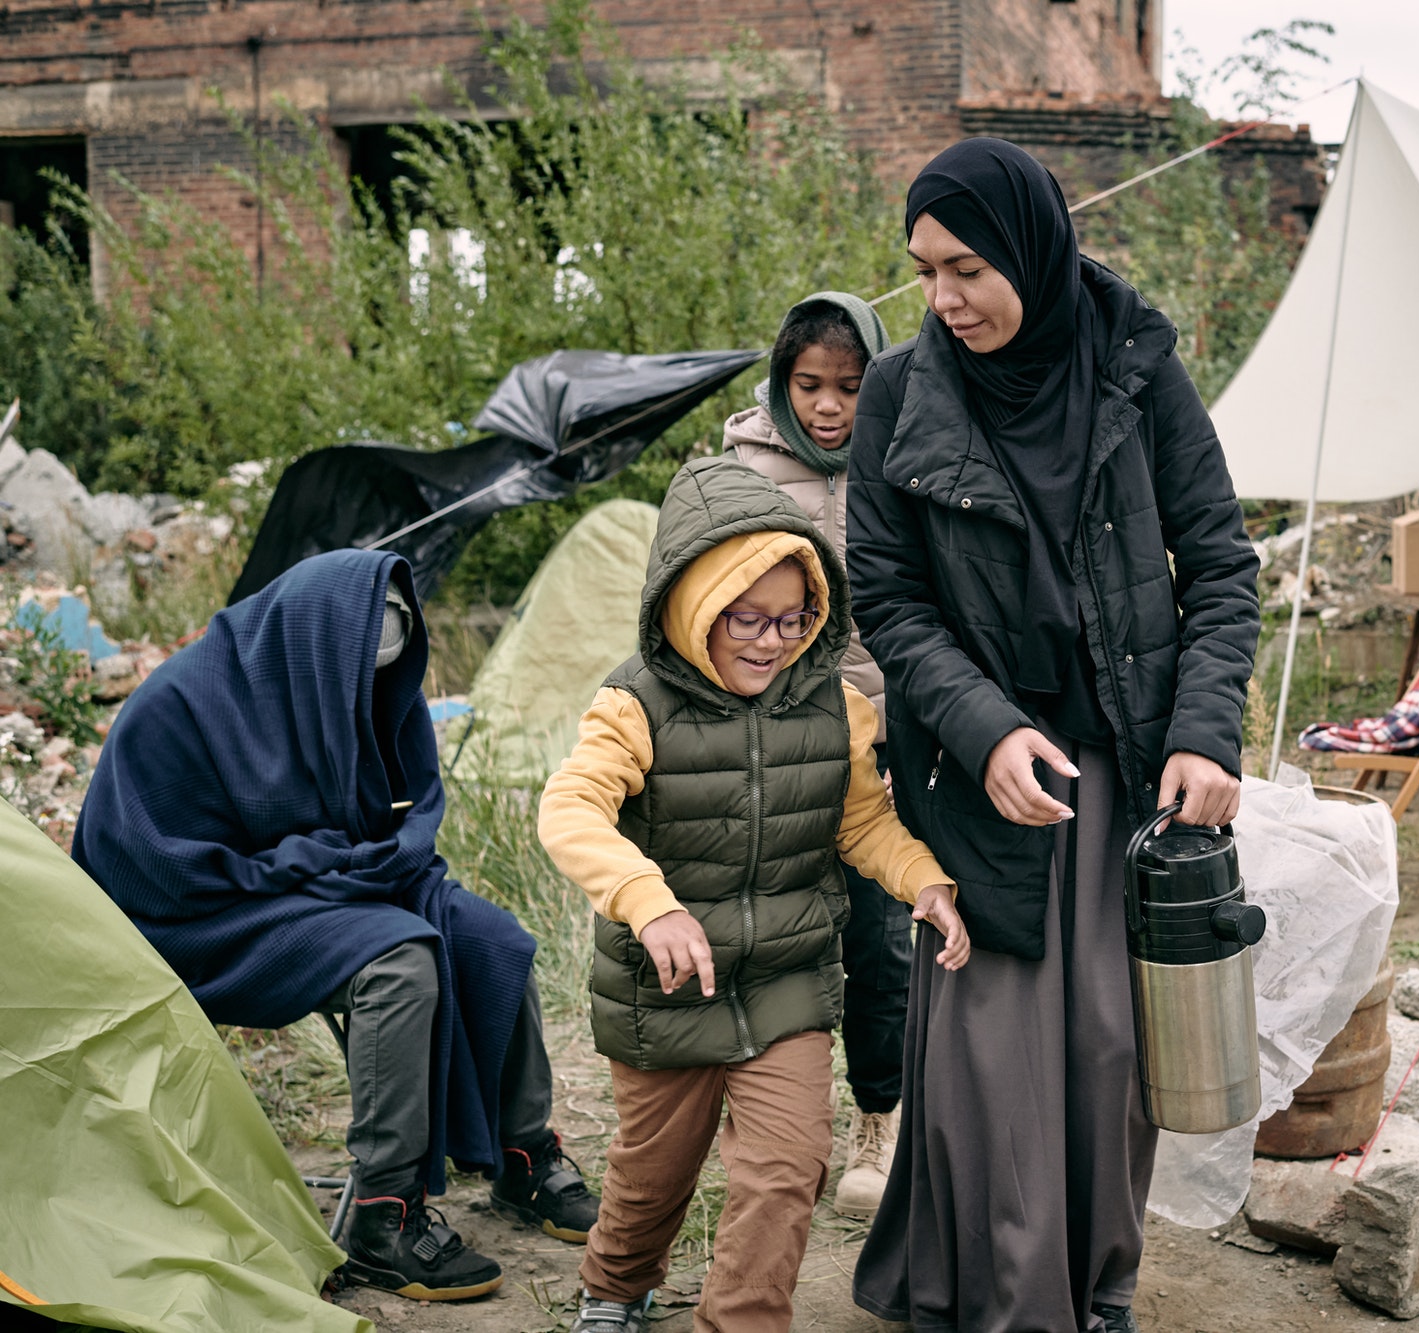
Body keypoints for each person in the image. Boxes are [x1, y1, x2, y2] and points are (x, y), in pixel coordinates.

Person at [844, 138, 1262, 1332]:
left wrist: (1203, 735)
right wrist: (982, 733)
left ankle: (1098, 1292)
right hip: (978, 770)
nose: (941, 299)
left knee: (1104, 1053)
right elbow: (889, 596)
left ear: (1031, 247)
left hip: (1123, 770)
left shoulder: (1134, 364)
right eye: (923, 271)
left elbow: (1221, 564)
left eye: (966, 268)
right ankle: (988, 1300)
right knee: (987, 1070)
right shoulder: (897, 394)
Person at [72, 549, 598, 1304]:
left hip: (334, 884)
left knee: (490, 937)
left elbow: (412, 818)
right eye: (362, 662)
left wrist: (358, 861)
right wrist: (310, 862)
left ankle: (523, 1156)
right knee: (401, 958)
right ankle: (384, 1216)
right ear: (312, 641)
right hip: (203, 915)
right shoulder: (181, 704)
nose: (379, 684)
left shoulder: (373, 688)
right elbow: (140, 863)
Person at [537, 455, 969, 1333]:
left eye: (794, 618)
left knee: (788, 1166)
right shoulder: (633, 703)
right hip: (665, 985)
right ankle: (616, 1286)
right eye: (748, 618)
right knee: (653, 1174)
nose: (772, 640)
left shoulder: (835, 706)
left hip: (788, 975)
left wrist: (924, 880)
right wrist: (645, 899)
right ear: (694, 604)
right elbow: (570, 807)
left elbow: (861, 826)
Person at [724, 290, 910, 1219]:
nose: (830, 405)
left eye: (849, 384)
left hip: (886, 738)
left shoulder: (907, 451)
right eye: (810, 385)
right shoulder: (744, 469)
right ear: (780, 381)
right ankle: (786, 1129)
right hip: (782, 736)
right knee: (787, 935)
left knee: (880, 937)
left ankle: (882, 1116)